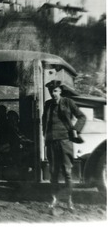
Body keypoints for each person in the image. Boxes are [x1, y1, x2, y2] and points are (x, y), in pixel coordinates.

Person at [42, 80, 86, 213]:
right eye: (51, 91)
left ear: (60, 91)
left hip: (65, 141)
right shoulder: (48, 104)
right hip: (52, 143)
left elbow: (82, 117)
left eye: (55, 91)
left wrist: (75, 130)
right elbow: (45, 121)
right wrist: (46, 137)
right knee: (53, 172)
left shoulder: (68, 102)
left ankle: (69, 200)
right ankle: (54, 199)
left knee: (67, 172)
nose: (53, 93)